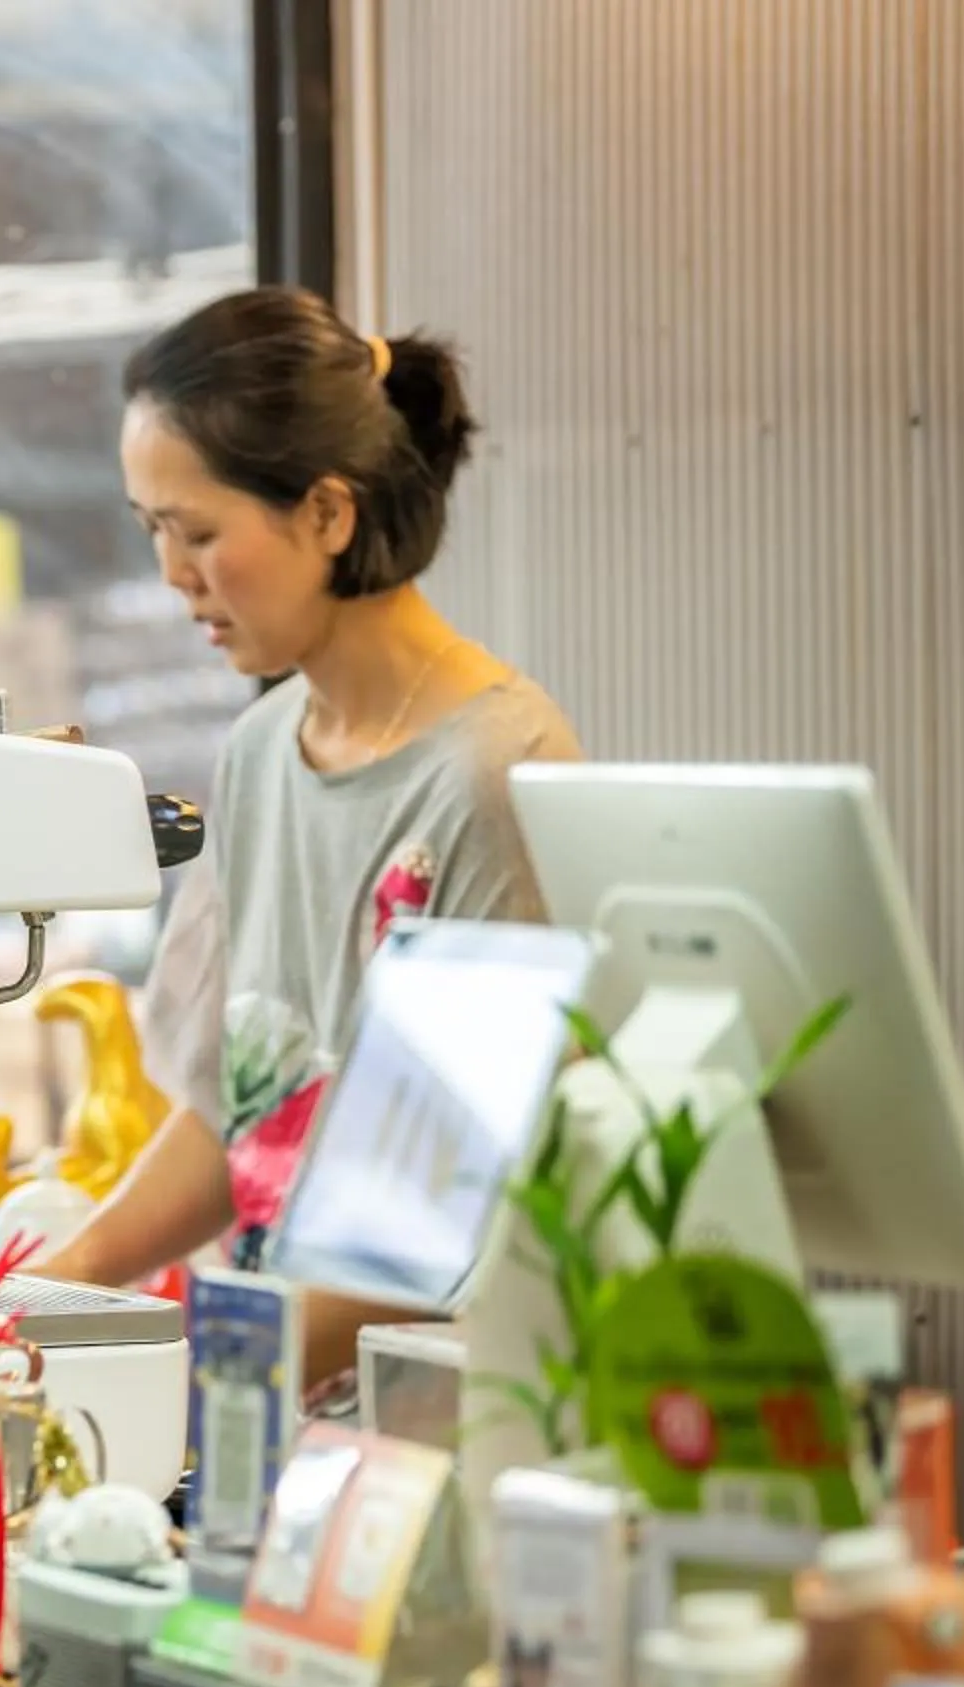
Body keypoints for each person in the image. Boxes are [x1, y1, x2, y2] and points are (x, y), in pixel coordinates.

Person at [41, 286, 581, 1390]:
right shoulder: (262, 748)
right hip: (267, 1405)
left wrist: (185, 1367)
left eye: (199, 533)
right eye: (153, 531)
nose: (173, 575)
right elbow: (228, 1111)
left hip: (425, 1421)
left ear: (328, 515)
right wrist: (63, 1281)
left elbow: (443, 1225)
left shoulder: (493, 773)